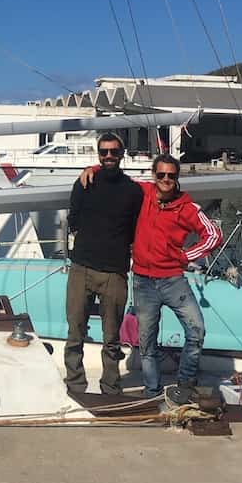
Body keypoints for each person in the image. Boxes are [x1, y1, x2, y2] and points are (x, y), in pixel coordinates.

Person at [80, 154, 220, 403]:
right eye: (161, 175)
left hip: (173, 280)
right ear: (154, 175)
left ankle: (185, 383)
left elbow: (212, 235)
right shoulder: (142, 192)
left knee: (196, 330)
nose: (166, 179)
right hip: (143, 280)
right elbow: (116, 180)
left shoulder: (186, 208)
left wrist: (186, 256)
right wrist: (94, 168)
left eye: (171, 176)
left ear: (177, 178)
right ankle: (152, 392)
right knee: (146, 343)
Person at [63, 132, 144, 395]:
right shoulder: (85, 182)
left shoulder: (133, 191)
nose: (109, 156)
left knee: (112, 339)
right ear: (98, 154)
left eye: (114, 152)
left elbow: (134, 228)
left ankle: (111, 387)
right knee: (75, 332)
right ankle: (75, 385)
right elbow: (73, 219)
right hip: (81, 267)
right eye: (103, 152)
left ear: (122, 155)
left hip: (115, 272)